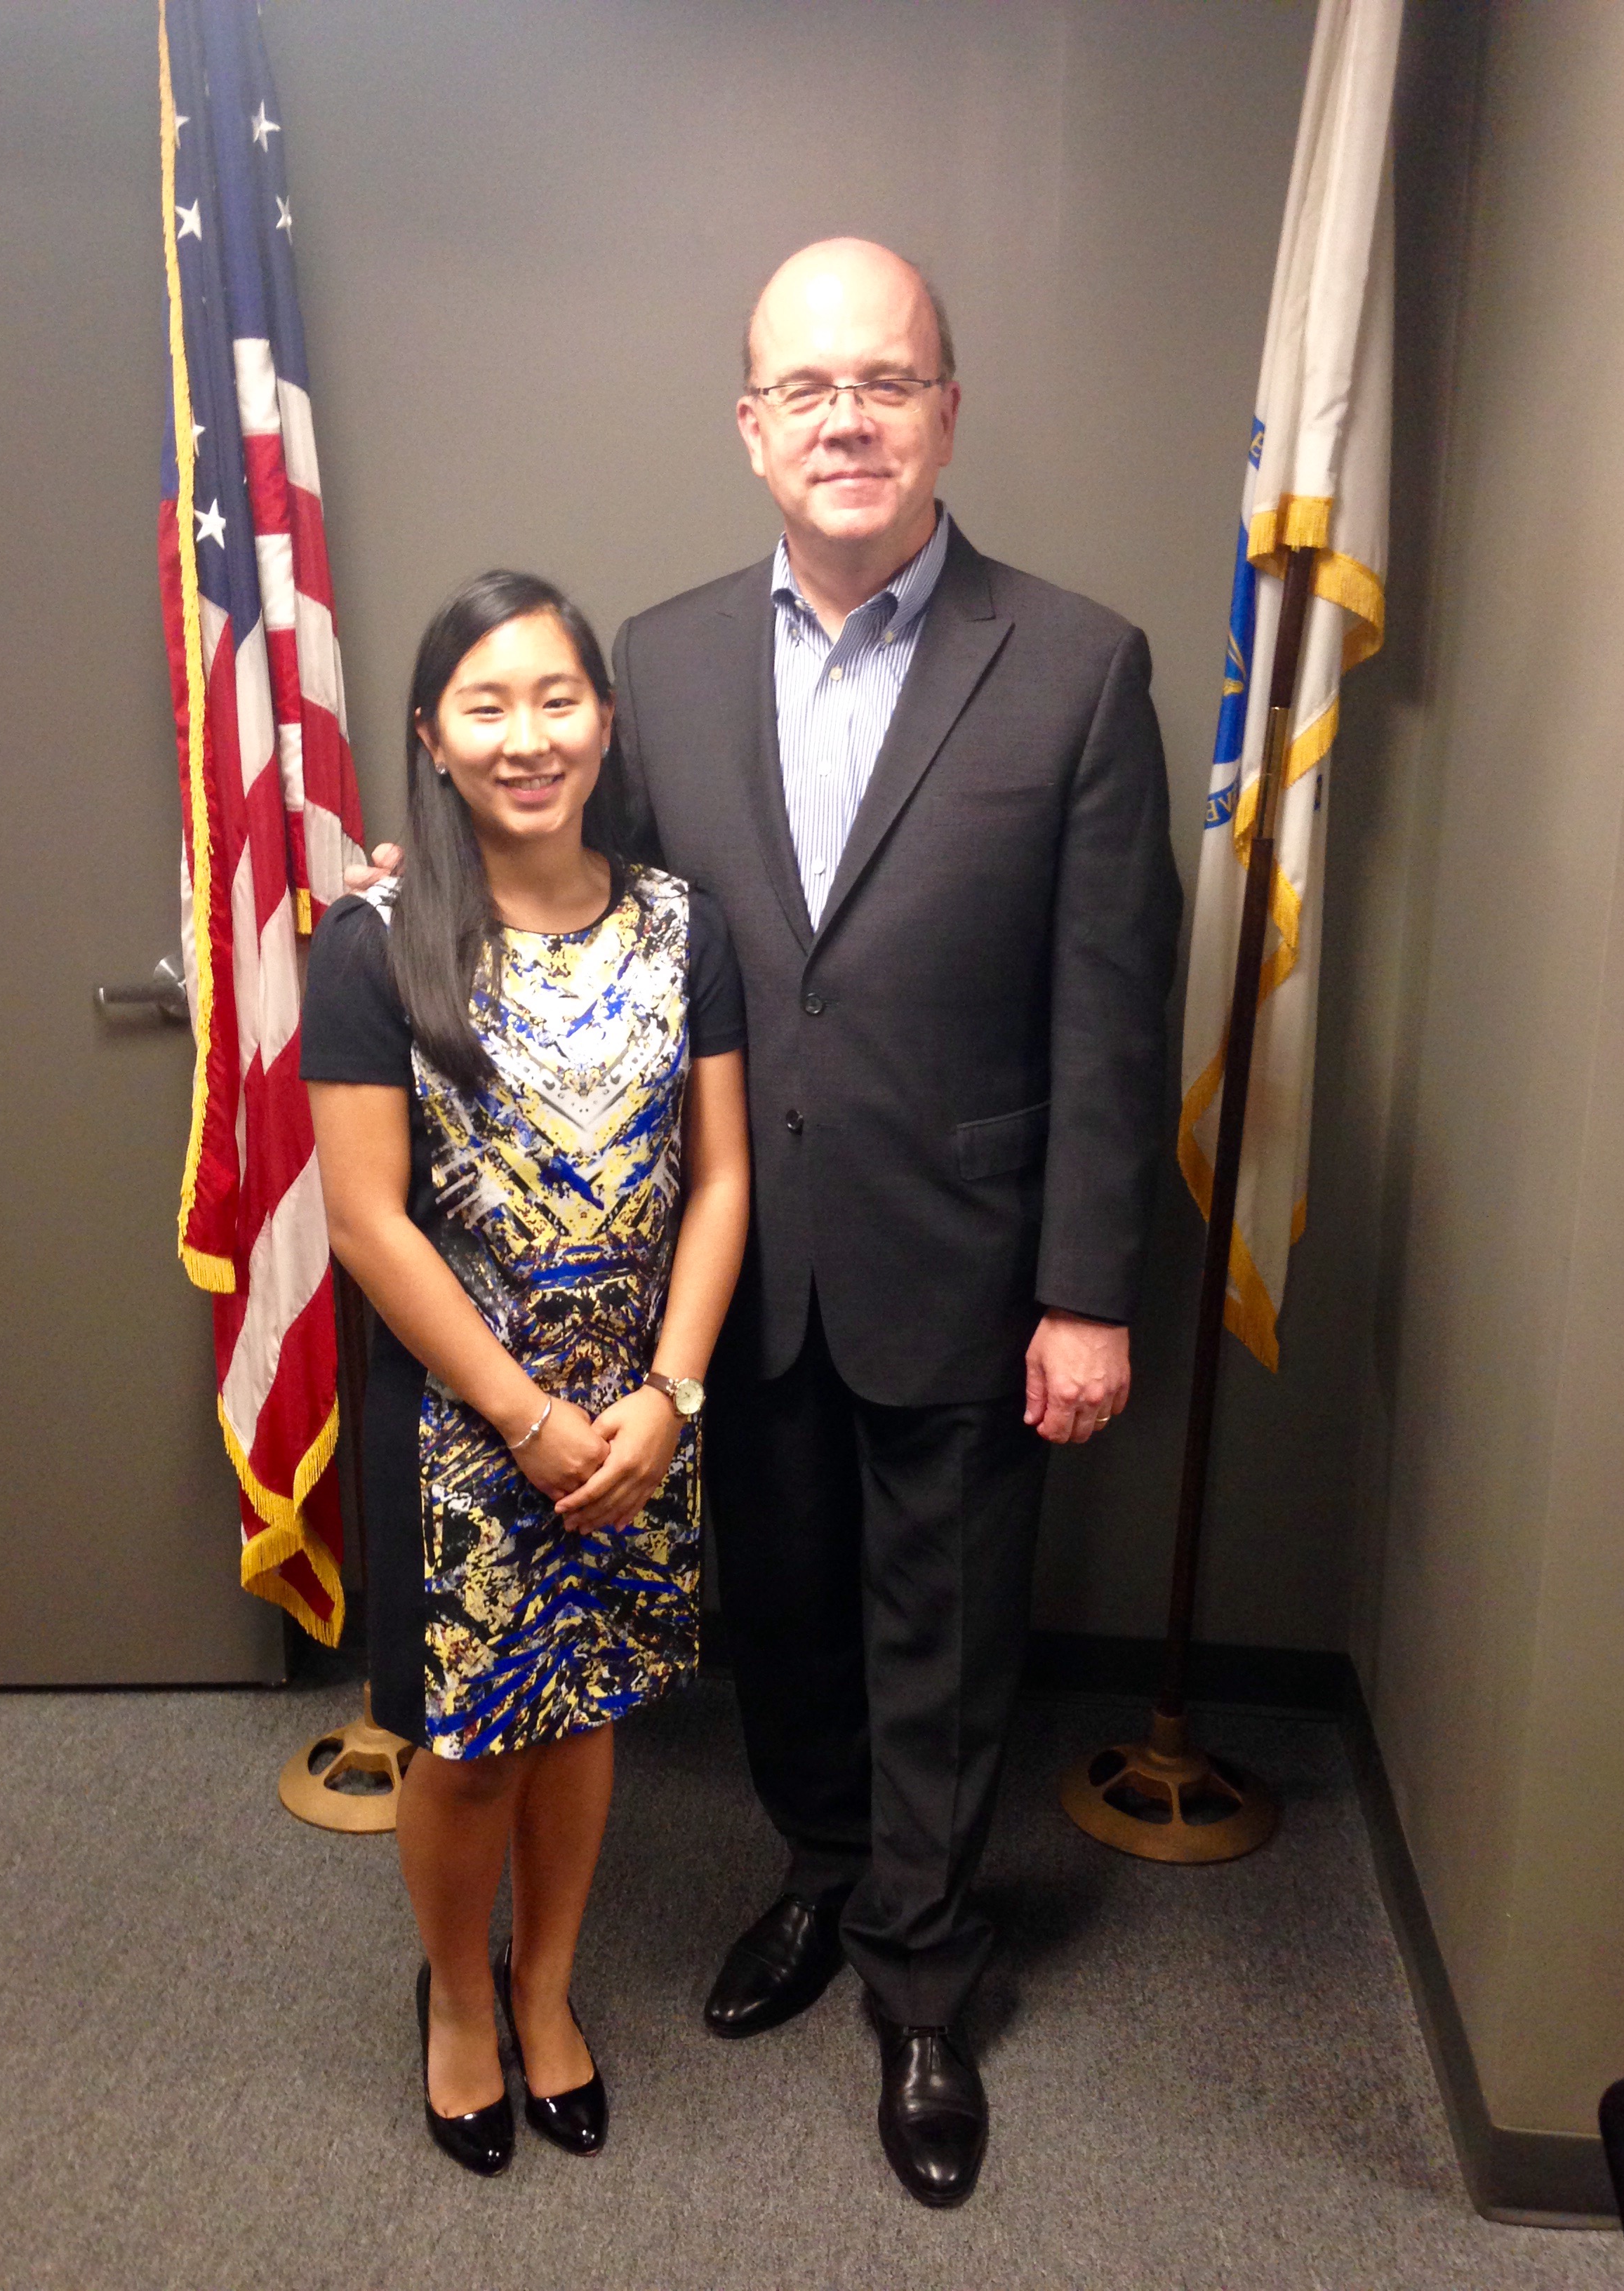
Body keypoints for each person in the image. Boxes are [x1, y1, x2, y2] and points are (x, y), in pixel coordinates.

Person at [356, 238, 1181, 2208]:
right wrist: (420, 874)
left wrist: (1086, 1289)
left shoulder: (1078, 664)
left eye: (884, 383)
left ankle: (925, 1979)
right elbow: (588, 903)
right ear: (750, 427)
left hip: (968, 1266)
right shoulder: (661, 661)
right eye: (806, 389)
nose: (846, 420)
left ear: (946, 414)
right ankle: (825, 1868)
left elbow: (1116, 1008)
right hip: (724, 1281)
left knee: (946, 1644)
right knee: (790, 1618)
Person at [301, 571, 749, 2177]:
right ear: (432, 737)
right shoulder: (373, 944)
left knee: (587, 1710)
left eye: (557, 698)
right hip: (464, 1430)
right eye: (485, 706)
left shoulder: (684, 927)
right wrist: (529, 1418)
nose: (527, 736)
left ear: (605, 722)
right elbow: (366, 1223)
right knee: (477, 1745)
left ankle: (546, 1991)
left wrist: (668, 1397)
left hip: (638, 1423)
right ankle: (457, 2001)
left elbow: (722, 1179)